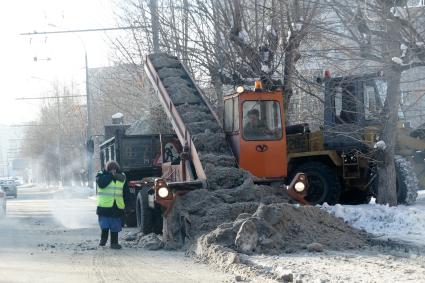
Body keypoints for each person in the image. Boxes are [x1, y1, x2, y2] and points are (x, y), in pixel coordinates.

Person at [96, 161, 126, 249]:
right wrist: (111, 175)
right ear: (107, 169)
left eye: (115, 169)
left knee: (115, 226)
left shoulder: (122, 176)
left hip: (117, 206)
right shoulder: (100, 175)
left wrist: (129, 204)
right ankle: (103, 240)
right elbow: (102, 184)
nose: (113, 171)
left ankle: (114, 243)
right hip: (104, 206)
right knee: (104, 225)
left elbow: (125, 191)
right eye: (111, 169)